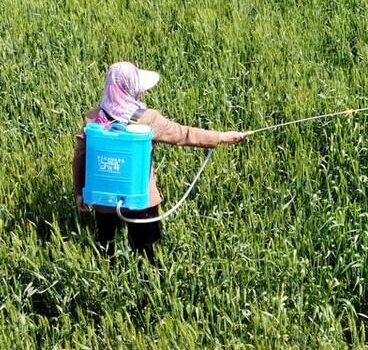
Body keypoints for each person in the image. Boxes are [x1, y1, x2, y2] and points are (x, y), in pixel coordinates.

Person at [72, 61, 244, 265]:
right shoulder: (147, 119)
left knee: (105, 246)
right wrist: (221, 137)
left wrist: (80, 192)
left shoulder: (93, 119)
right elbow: (184, 134)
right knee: (148, 251)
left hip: (103, 200)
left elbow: (80, 158)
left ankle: (108, 277)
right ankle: (149, 285)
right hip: (141, 199)